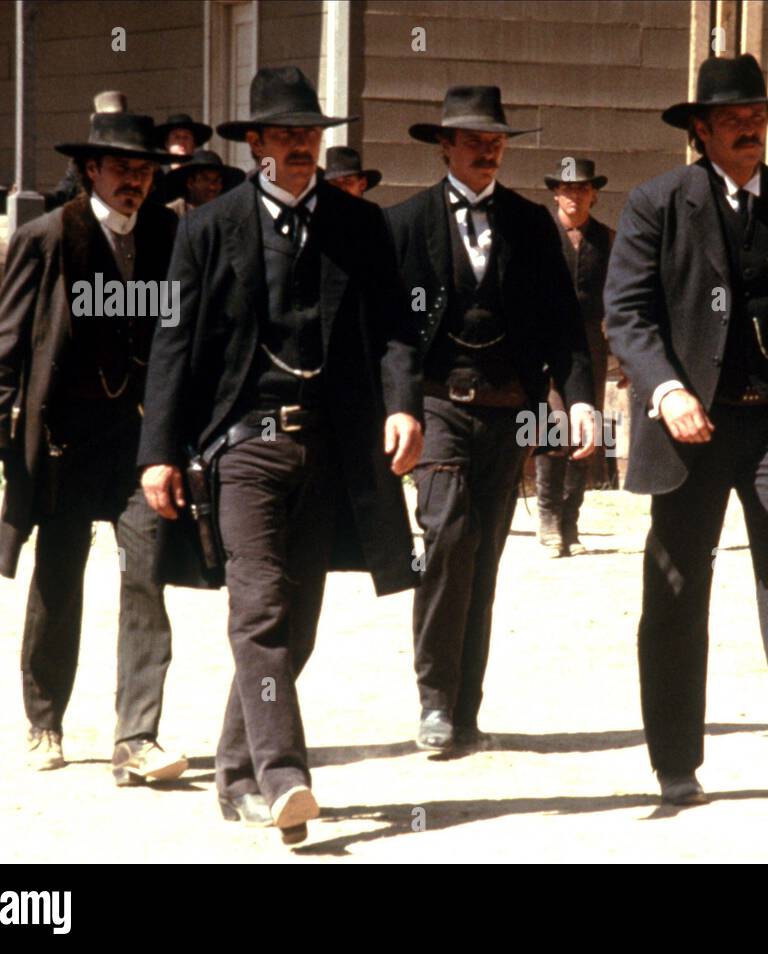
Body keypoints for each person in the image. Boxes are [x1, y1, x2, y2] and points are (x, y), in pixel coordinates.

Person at [138, 67, 423, 845]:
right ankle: (286, 776)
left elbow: (398, 328)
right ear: (255, 144)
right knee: (258, 610)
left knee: (297, 627)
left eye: (312, 135)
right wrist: (158, 453)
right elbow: (170, 344)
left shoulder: (360, 226)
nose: (302, 148)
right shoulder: (208, 229)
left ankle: (237, 774)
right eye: (286, 136)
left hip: (331, 449)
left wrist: (403, 407)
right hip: (243, 447)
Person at [604, 54, 768, 815]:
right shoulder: (657, 204)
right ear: (700, 130)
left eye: (759, 117)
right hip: (692, 427)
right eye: (734, 119)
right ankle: (676, 761)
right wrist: (669, 388)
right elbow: (626, 313)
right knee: (678, 584)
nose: (751, 129)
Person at [0, 100, 188, 787]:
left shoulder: (167, 238)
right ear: (90, 170)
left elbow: (181, 338)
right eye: (121, 169)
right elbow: (3, 341)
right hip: (64, 442)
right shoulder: (47, 238)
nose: (135, 182)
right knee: (58, 583)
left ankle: (136, 739)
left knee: (146, 578)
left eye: (145, 171)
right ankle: (44, 724)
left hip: (138, 443)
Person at [385, 85, 595, 753]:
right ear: (444, 145)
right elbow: (386, 332)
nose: (488, 150)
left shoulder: (531, 224)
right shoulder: (405, 224)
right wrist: (396, 408)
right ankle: (434, 702)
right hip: (439, 404)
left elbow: (565, 324)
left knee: (484, 558)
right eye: (475, 140)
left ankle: (466, 710)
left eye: (497, 141)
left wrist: (581, 398)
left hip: (509, 412)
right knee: (447, 541)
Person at [536, 156, 615, 556]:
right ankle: (547, 521)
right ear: (555, 193)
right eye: (567, 189)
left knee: (587, 433)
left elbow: (619, 301)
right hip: (545, 343)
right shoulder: (538, 236)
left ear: (594, 194)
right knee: (550, 427)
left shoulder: (608, 239)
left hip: (590, 346)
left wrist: (625, 356)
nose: (574, 196)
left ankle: (571, 523)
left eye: (582, 188)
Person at [163, 148, 244, 218]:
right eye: (205, 180)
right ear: (190, 183)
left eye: (217, 181)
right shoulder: (170, 214)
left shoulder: (229, 215)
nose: (213, 187)